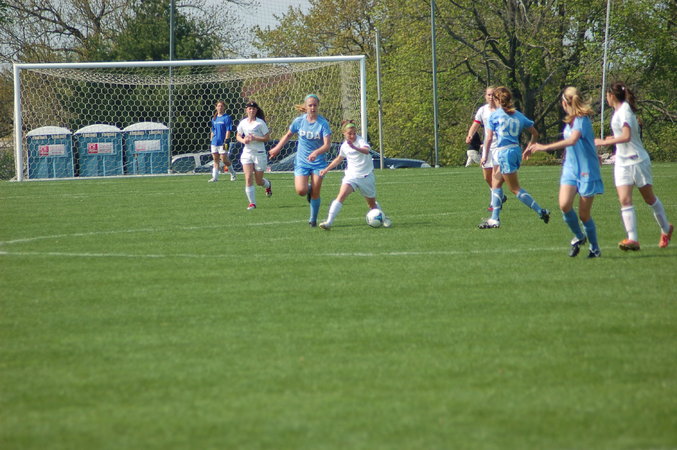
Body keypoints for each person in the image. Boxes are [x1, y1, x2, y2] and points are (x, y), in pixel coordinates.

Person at [525, 87, 603, 258]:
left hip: (587, 170)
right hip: (570, 168)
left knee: (584, 215)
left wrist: (544, 147)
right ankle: (579, 236)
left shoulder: (581, 120)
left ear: (564, 102)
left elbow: (573, 140)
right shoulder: (571, 120)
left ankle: (595, 248)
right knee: (564, 205)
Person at [594, 82, 673, 250]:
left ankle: (666, 228)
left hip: (637, 160)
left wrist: (603, 142)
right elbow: (622, 136)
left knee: (649, 198)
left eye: (607, 95)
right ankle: (633, 239)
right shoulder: (618, 111)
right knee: (624, 199)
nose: (606, 98)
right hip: (622, 162)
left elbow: (627, 136)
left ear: (611, 96)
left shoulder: (625, 111)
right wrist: (612, 139)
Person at [478, 86, 550, 229]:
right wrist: (529, 147)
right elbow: (535, 133)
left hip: (504, 153)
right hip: (515, 150)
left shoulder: (495, 115)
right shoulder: (518, 115)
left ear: (497, 99)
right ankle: (494, 219)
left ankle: (541, 211)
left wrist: (484, 155)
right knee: (496, 183)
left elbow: (488, 138)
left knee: (514, 188)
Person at [269, 94, 332, 227]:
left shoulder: (323, 123)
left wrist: (316, 152)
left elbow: (327, 145)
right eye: (310, 105)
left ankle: (313, 220)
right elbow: (288, 135)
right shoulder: (299, 121)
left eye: (315, 105)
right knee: (301, 191)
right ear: (305, 107)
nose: (313, 108)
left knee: (316, 192)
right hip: (302, 162)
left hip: (318, 162)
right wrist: (277, 148)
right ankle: (308, 189)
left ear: (318, 106)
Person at [318, 120, 391, 230]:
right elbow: (339, 159)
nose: (352, 136)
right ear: (344, 133)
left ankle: (383, 218)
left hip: (366, 176)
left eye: (354, 133)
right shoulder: (344, 146)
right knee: (341, 196)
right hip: (351, 176)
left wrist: (354, 147)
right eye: (349, 134)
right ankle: (328, 222)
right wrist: (326, 169)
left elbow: (366, 151)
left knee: (371, 205)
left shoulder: (360, 140)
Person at [465, 87, 507, 211]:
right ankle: (500, 195)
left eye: (493, 94)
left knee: (495, 175)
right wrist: (470, 135)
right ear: (485, 96)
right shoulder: (482, 110)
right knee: (487, 177)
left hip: (500, 146)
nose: (491, 97)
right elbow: (476, 124)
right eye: (488, 95)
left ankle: (494, 203)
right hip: (487, 146)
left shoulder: (502, 110)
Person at [236, 101, 272, 210]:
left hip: (259, 153)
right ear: (246, 110)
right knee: (248, 177)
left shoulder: (260, 123)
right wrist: (243, 140)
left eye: (253, 109)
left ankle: (268, 185)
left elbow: (267, 138)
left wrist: (255, 138)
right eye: (249, 108)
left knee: (259, 181)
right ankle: (252, 203)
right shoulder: (243, 123)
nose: (251, 110)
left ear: (256, 110)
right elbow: (238, 135)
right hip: (247, 153)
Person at [208, 100, 236, 182]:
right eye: (218, 106)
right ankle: (215, 177)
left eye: (221, 106)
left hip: (223, 142)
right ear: (216, 107)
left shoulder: (226, 117)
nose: (220, 107)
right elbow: (213, 130)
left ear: (224, 107)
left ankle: (233, 173)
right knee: (215, 159)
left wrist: (226, 140)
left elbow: (228, 130)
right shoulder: (214, 118)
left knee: (224, 159)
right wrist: (211, 139)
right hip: (214, 142)